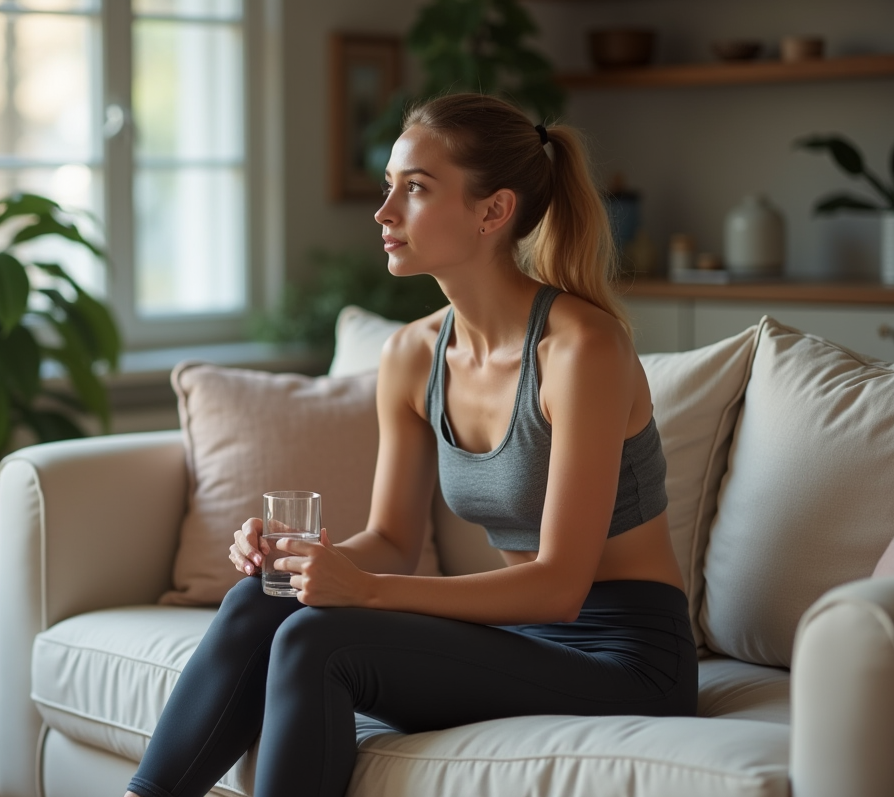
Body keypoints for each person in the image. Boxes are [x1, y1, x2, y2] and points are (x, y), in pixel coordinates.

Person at [124, 93, 696, 797]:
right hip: (520, 643)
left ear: (493, 212)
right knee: (260, 599)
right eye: (388, 186)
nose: (384, 211)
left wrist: (362, 591)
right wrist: (303, 561)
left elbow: (559, 588)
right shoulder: (412, 354)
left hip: (626, 658)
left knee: (315, 639)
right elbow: (392, 539)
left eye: (416, 189)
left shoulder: (582, 350)